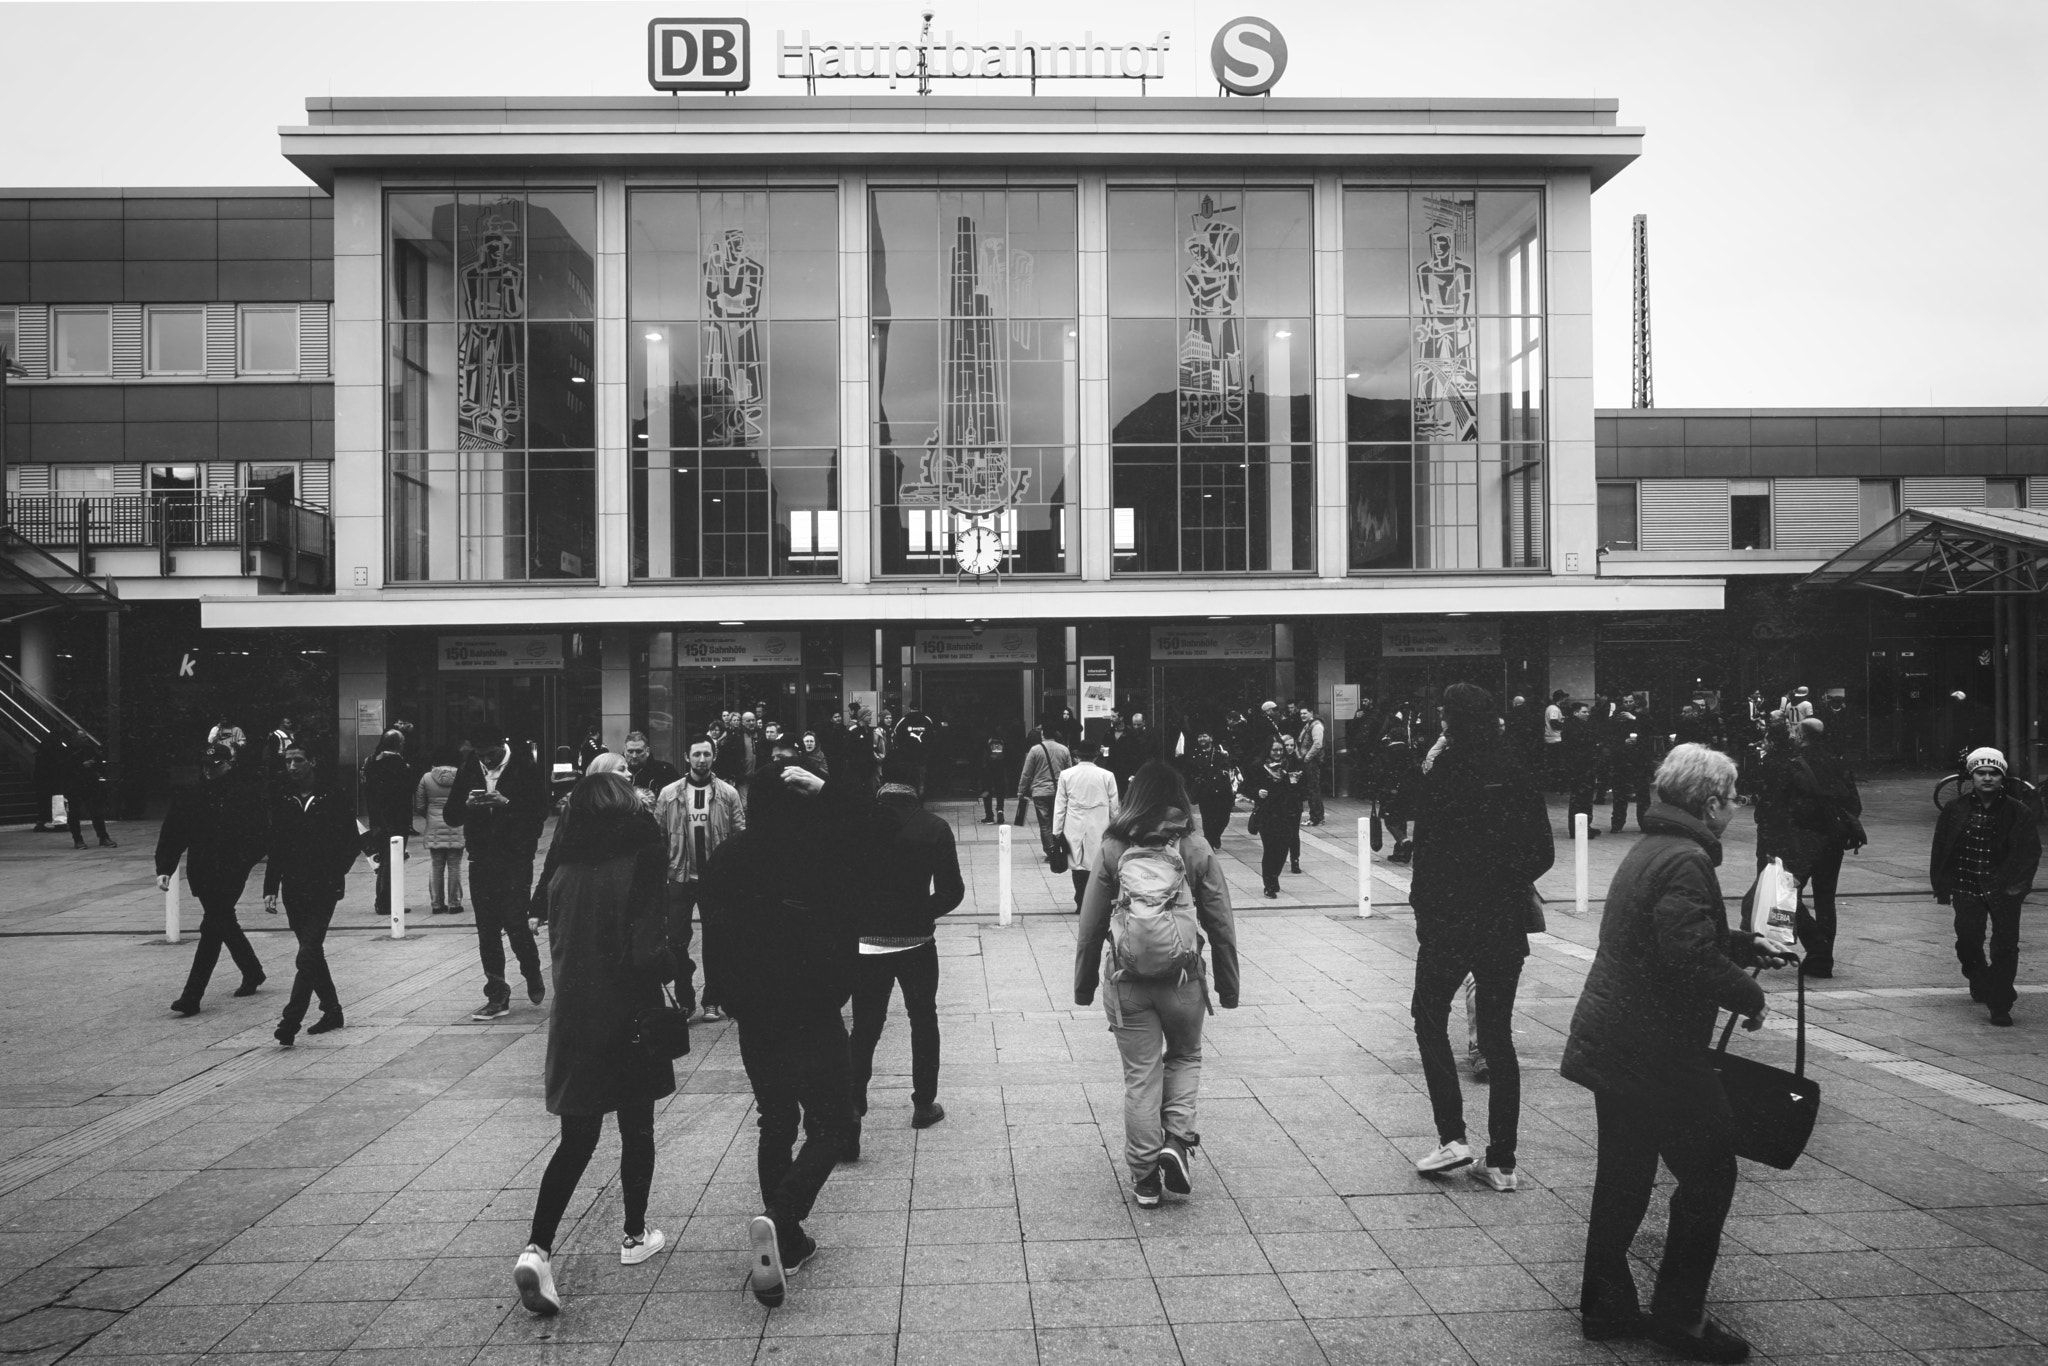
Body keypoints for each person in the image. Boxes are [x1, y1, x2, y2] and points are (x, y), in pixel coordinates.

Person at [1562, 743, 1796, 1361]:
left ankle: (1606, 1305)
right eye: (1733, 795)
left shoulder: (1654, 847)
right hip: (1656, 1050)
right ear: (1712, 800)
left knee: (1624, 1175)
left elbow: (1675, 934)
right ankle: (1681, 1317)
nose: (1736, 805)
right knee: (1710, 1174)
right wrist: (1750, 995)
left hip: (1615, 1040)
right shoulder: (1688, 858)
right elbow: (1685, 955)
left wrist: (1744, 944)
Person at [701, 759, 866, 1309]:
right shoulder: (820, 849)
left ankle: (787, 1242)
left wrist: (722, 990)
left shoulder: (728, 856)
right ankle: (782, 1214)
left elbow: (715, 931)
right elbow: (871, 834)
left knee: (775, 1117)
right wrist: (829, 790)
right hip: (814, 1004)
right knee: (834, 1122)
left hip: (756, 1008)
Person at [513, 770, 678, 1317]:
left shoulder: (562, 864)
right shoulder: (643, 853)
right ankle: (634, 1235)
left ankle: (538, 1248)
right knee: (637, 1125)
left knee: (577, 1141)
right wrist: (681, 965)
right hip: (629, 1011)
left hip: (575, 1016)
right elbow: (649, 947)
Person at [1404, 684, 1555, 1192]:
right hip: (1503, 920)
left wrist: (1427, 906)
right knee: (1497, 1034)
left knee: (1428, 1016)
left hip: (1450, 919)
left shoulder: (1444, 771)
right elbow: (1543, 852)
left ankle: (1452, 1137)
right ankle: (1503, 1161)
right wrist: (1503, 878)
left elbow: (1424, 849)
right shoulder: (1516, 769)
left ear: (1452, 719)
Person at [1074, 761, 1239, 1209]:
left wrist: (1084, 984)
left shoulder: (1112, 847)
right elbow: (1220, 921)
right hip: (1183, 981)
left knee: (1140, 1077)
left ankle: (1145, 1178)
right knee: (1185, 1056)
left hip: (1127, 984)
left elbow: (1090, 926)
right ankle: (1177, 1142)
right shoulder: (1194, 846)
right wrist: (1228, 984)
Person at [850, 754, 964, 1136]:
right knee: (923, 1019)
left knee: (866, 1023)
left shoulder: (861, 824)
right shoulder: (933, 827)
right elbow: (952, 890)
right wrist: (922, 912)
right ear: (918, 782)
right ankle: (923, 1103)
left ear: (882, 779)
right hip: (916, 940)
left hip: (867, 941)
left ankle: (853, 1100)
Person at [156, 740, 268, 1016]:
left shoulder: (244, 794)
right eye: (205, 766)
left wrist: (244, 861)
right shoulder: (192, 794)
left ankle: (192, 996)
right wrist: (165, 867)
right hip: (203, 870)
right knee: (223, 921)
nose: (208, 771)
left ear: (229, 763)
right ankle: (252, 971)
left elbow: (260, 834)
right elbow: (174, 831)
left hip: (231, 870)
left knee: (213, 926)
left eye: (215, 766)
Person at [1931, 747, 2041, 1026]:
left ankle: (2000, 1004)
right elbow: (1941, 848)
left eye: (1994, 773)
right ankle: (1980, 977)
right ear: (1972, 776)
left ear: (2002, 777)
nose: (1988, 778)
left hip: (2003, 890)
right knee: (1968, 943)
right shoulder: (1955, 808)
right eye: (1982, 773)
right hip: (1966, 886)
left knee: (2005, 947)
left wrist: (2018, 886)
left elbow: (2029, 852)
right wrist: (1942, 885)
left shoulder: (2018, 811)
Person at [445, 731, 550, 1021]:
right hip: (481, 856)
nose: (487, 760)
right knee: (487, 927)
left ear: (502, 746)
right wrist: (466, 805)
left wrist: (506, 803)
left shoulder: (524, 766)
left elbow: (540, 812)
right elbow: (450, 816)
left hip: (515, 857)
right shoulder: (470, 766)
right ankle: (497, 993)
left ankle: (531, 970)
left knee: (516, 921)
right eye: (481, 755)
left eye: (491, 754)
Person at [263, 744, 361, 1046]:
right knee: (312, 953)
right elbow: (276, 844)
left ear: (313, 761)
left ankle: (290, 1020)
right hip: (293, 886)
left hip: (324, 886)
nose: (292, 766)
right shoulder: (282, 798)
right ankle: (332, 1010)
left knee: (307, 951)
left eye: (298, 760)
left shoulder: (333, 795)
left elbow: (352, 840)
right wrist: (271, 886)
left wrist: (336, 872)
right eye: (288, 761)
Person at [1755, 718, 1862, 978]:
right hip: (1833, 839)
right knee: (1826, 899)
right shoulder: (1836, 762)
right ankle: (1822, 959)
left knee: (1788, 894)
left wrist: (1772, 841)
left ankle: (1818, 947)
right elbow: (1854, 804)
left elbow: (1775, 806)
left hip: (1801, 839)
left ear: (1801, 736)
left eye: (1795, 730)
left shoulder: (1791, 763)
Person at [656, 735, 741, 1024]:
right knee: (677, 941)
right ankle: (685, 999)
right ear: (686, 757)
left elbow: (739, 837)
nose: (701, 760)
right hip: (680, 876)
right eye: (696, 755)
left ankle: (713, 1000)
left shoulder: (728, 793)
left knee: (717, 941)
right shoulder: (669, 794)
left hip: (716, 880)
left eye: (706, 754)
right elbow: (659, 836)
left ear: (714, 756)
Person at [1054, 740, 1121, 913]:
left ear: (1076, 756)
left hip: (1074, 823)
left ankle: (1080, 900)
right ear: (1096, 756)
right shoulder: (1107, 775)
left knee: (1077, 865)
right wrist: (1116, 827)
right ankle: (1096, 900)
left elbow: (1060, 805)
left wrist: (1056, 831)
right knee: (1097, 864)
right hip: (1100, 824)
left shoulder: (1066, 775)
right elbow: (1114, 807)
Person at [361, 730, 415, 917]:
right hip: (395, 821)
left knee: (386, 861)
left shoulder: (372, 762)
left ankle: (387, 901)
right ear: (398, 744)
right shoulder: (397, 764)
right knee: (390, 863)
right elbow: (402, 796)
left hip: (377, 819)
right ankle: (385, 902)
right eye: (403, 741)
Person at [1245, 737, 1303, 898]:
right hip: (1267, 814)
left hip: (1287, 813)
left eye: (1280, 750)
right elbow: (1246, 787)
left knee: (1283, 849)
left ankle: (1275, 876)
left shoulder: (1290, 765)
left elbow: (1303, 790)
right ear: (1268, 752)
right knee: (1270, 849)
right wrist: (1257, 792)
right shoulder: (1259, 768)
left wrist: (1295, 782)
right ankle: (1269, 883)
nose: (1278, 753)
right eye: (1274, 750)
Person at [414, 748, 466, 916]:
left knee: (436, 866)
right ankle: (454, 903)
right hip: (457, 825)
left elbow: (420, 806)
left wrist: (431, 816)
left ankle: (437, 904)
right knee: (455, 866)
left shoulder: (426, 778)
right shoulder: (462, 776)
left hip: (434, 826)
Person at [1017, 724, 1073, 862]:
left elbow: (1027, 773)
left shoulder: (1035, 750)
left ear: (1043, 734)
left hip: (1040, 791)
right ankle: (1061, 847)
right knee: (1059, 821)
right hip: (1059, 791)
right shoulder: (1064, 750)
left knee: (1044, 823)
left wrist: (1021, 790)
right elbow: (1070, 772)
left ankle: (1050, 850)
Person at [1183, 732, 1238, 849]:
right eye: (1199, 736)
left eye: (1204, 736)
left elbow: (1233, 765)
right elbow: (1189, 772)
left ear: (1211, 738)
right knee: (1207, 818)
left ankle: (1215, 836)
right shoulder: (1193, 754)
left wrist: (1227, 757)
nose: (1202, 739)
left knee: (1223, 818)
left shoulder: (1221, 752)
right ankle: (1210, 842)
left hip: (1222, 791)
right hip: (1205, 791)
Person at [62, 732, 115, 849]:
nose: (85, 739)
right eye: (81, 737)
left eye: (85, 737)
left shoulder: (90, 749)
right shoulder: (68, 751)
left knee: (96, 811)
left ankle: (103, 836)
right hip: (75, 785)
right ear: (74, 739)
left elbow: (100, 763)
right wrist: (81, 766)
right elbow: (65, 768)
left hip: (90, 783)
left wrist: (94, 764)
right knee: (75, 813)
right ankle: (78, 838)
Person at [1560, 702, 1601, 839]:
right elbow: (1578, 747)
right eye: (1584, 712)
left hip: (1585, 766)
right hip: (1579, 768)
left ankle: (1585, 825)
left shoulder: (1581, 726)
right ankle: (1577, 828)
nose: (1587, 714)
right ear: (1575, 713)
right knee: (1579, 798)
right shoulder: (1573, 727)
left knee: (1585, 798)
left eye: (1587, 712)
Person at [623, 731, 681, 808]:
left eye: (638, 751)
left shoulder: (665, 771)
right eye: (630, 751)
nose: (634, 756)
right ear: (624, 751)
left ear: (647, 751)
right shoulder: (616, 770)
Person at [891, 704, 935, 796]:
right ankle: (921, 796)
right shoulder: (927, 719)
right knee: (922, 777)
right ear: (920, 708)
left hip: (908, 755)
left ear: (909, 708)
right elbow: (933, 736)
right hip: (923, 755)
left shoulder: (904, 720)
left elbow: (895, 734)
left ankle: (911, 797)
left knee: (909, 776)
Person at [31, 727, 69, 833]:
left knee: (43, 801)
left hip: (42, 779)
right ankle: (59, 823)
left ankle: (41, 821)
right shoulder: (58, 748)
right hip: (54, 779)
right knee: (57, 800)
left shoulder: (43, 747)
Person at [1295, 702, 1327, 826]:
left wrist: (1307, 757)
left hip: (1312, 761)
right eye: (1301, 713)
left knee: (1313, 789)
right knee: (1312, 789)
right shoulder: (1309, 724)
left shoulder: (1316, 725)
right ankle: (1317, 816)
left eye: (1305, 713)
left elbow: (1318, 744)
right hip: (1309, 761)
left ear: (1311, 713)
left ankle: (1316, 818)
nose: (1302, 715)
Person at [978, 731, 1010, 824]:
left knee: (986, 792)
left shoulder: (985, 740)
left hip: (987, 771)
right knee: (1000, 792)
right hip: (1000, 771)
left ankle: (989, 816)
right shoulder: (1003, 741)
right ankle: (1000, 812)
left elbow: (981, 756)